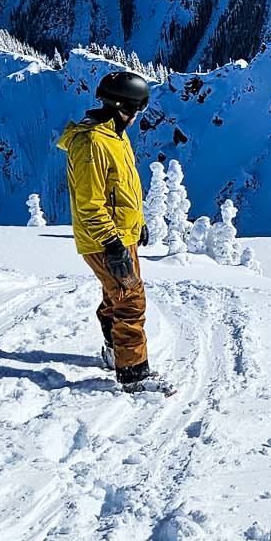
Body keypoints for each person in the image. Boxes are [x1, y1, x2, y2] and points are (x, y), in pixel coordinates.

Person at [59, 70, 171, 394]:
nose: (139, 116)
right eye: (138, 108)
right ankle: (134, 375)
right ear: (124, 106)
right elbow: (89, 203)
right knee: (130, 302)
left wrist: (137, 225)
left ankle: (113, 352)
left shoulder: (114, 136)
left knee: (115, 295)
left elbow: (121, 189)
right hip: (105, 240)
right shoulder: (92, 143)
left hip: (120, 236)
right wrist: (112, 244)